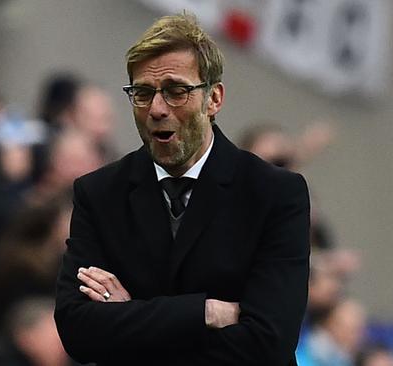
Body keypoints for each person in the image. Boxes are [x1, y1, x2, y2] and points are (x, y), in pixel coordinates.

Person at [54, 13, 310, 365]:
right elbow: (77, 331)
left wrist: (131, 317)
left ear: (214, 98)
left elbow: (268, 342)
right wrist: (203, 312)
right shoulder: (99, 193)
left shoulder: (274, 193)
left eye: (176, 91)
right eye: (142, 93)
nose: (157, 109)